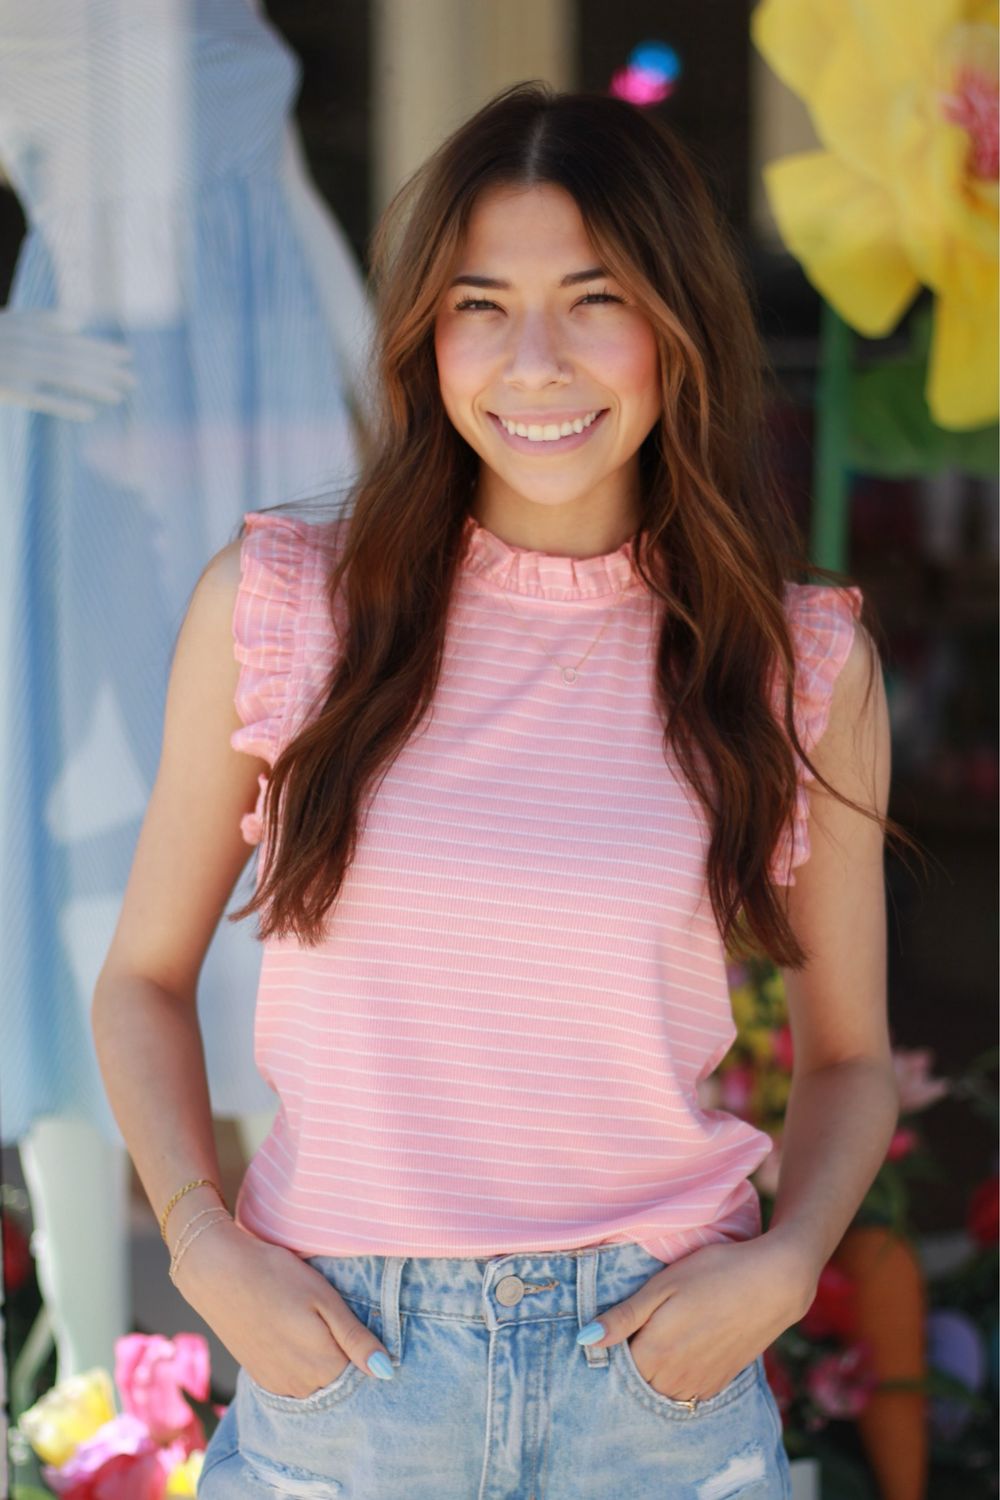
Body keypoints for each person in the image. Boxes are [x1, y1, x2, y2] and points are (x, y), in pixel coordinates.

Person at [92, 82, 903, 1498]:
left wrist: (786, 1266)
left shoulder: (794, 660)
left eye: (594, 298)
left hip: (660, 1379)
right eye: (481, 303)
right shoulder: (285, 608)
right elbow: (140, 979)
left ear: (675, 330)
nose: (535, 363)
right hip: (347, 1370)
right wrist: (201, 1242)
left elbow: (849, 1060)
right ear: (427, 336)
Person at [0, 0, 372, 1379]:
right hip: (91, 407)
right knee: (99, 848)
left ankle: (309, 1332)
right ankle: (96, 1388)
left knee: (300, 814)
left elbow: (290, 196)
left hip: (271, 397)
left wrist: (395, 408)